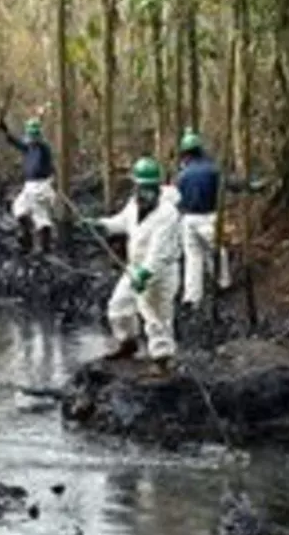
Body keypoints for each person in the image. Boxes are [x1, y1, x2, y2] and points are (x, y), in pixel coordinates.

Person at [86, 157, 183, 368]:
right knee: (118, 307)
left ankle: (163, 360)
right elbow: (121, 222)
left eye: (149, 188)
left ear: (158, 187)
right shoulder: (134, 204)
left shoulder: (168, 214)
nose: (144, 193)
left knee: (156, 317)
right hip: (134, 268)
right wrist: (101, 225)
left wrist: (145, 274)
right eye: (141, 187)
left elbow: (159, 252)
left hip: (160, 272)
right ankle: (128, 343)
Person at [173, 130, 222, 306]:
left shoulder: (182, 175)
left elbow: (176, 199)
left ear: (185, 153)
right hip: (210, 217)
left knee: (193, 257)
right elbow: (228, 185)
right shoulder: (212, 169)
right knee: (216, 250)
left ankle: (192, 296)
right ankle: (222, 282)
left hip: (188, 219)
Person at [0, 113, 56, 254]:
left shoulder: (43, 148)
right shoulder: (29, 148)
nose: (30, 138)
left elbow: (40, 144)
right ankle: (27, 240)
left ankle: (45, 247)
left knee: (41, 216)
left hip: (41, 186)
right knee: (19, 208)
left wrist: (36, 130)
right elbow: (17, 143)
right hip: (29, 186)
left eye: (32, 135)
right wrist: (5, 131)